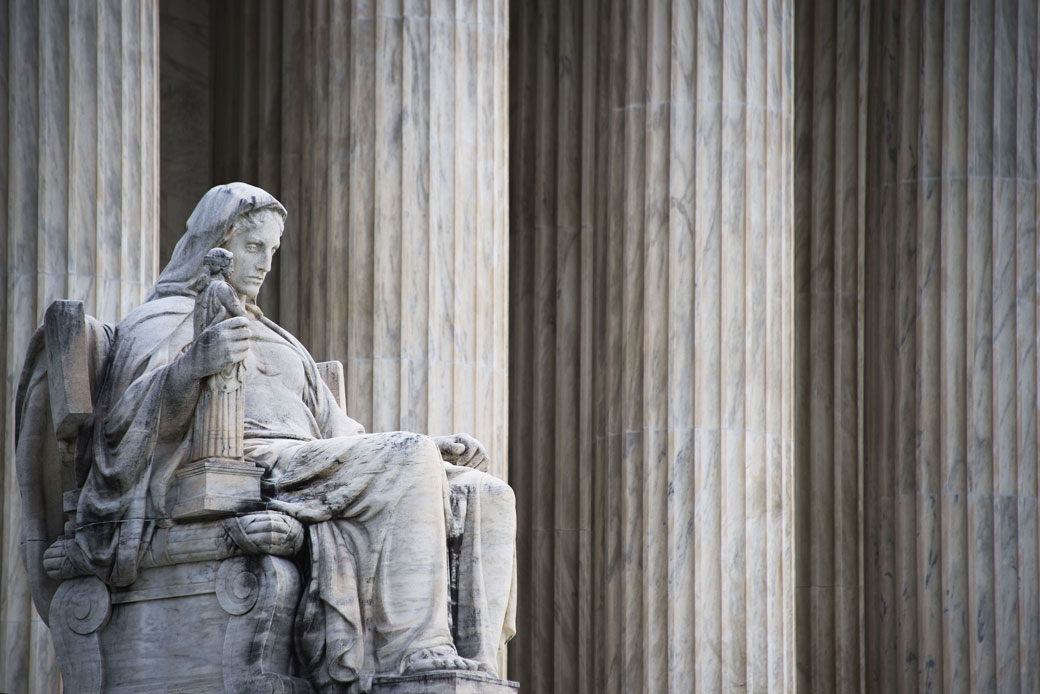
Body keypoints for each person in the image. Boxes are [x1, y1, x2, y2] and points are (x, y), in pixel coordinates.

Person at [66, 183, 516, 692]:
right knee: (409, 457)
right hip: (252, 466)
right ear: (216, 244)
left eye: (271, 251)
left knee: (486, 494)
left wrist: (434, 449)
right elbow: (124, 424)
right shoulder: (161, 321)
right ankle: (415, 655)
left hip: (309, 460)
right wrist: (193, 366)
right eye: (252, 247)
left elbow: (343, 436)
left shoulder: (283, 341)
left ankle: (473, 668)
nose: (263, 264)